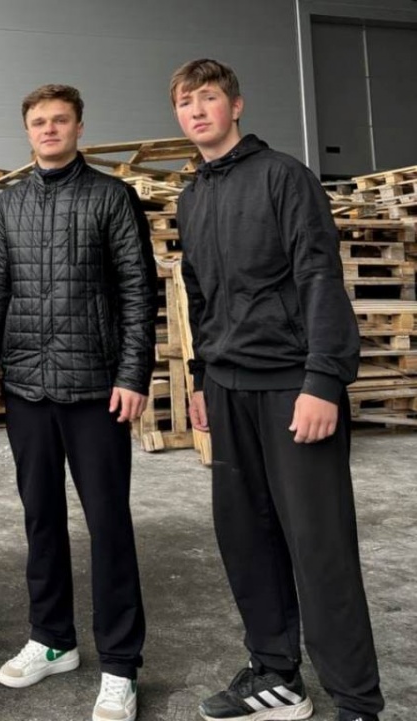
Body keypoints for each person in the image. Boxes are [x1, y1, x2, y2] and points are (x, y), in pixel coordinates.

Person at [170, 58, 384, 721]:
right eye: (185, 102)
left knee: (319, 545)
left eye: (208, 97)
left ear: (236, 106)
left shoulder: (284, 176)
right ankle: (276, 675)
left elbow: (319, 274)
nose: (197, 110)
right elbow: (199, 297)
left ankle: (356, 700)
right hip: (226, 387)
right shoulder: (192, 196)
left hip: (293, 386)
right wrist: (201, 378)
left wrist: (323, 379)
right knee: (245, 538)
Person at [0, 84, 157, 721]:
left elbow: (137, 290)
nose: (49, 129)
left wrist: (132, 374)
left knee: (108, 525)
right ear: (27, 131)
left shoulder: (111, 197)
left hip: (96, 390)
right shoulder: (10, 203)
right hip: (27, 387)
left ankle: (120, 665)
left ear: (79, 127)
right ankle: (52, 639)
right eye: (39, 121)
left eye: (60, 120)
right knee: (40, 518)